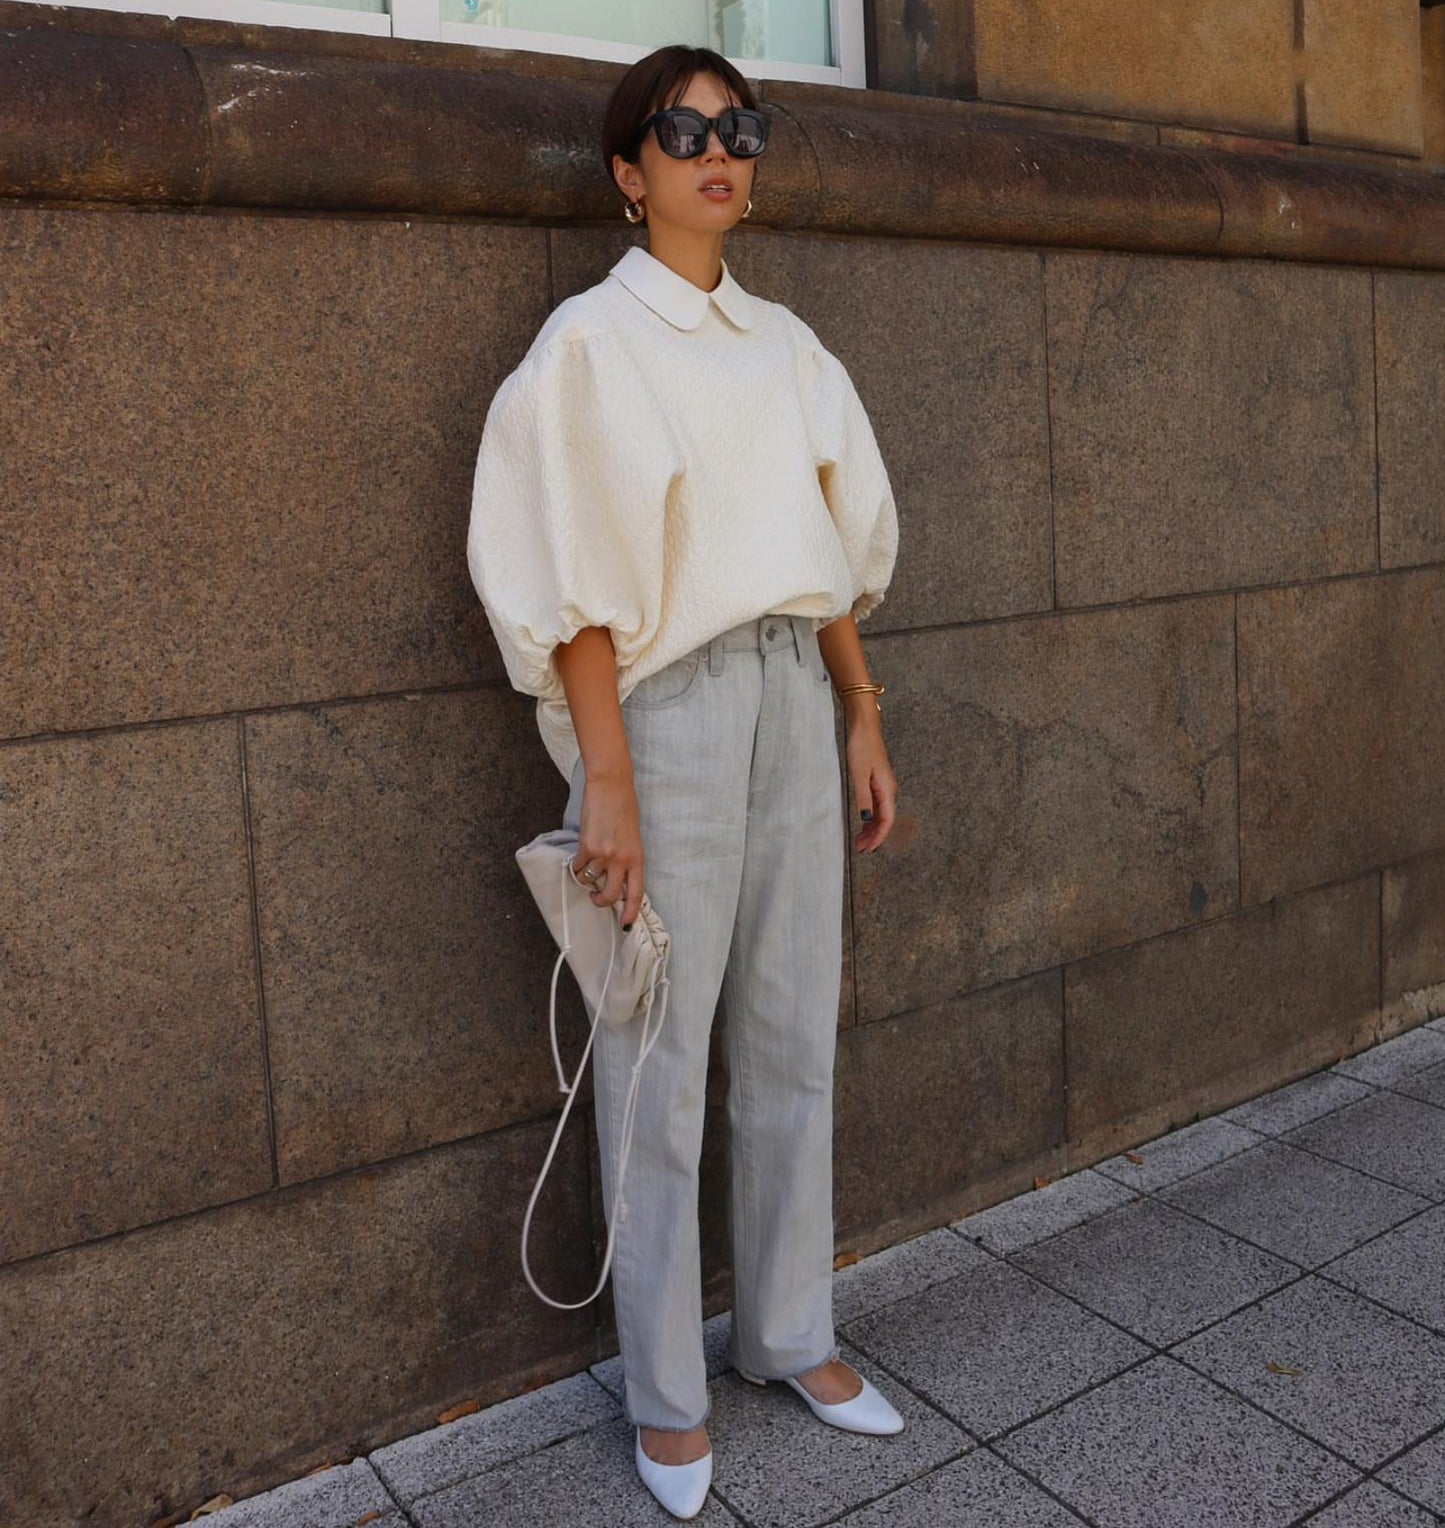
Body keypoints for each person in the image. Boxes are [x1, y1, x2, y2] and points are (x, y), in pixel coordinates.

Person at [466, 41, 902, 1521]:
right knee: (655, 1062)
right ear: (626, 170)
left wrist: (858, 705)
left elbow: (831, 546)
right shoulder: (592, 347)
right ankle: (664, 1391)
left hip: (792, 690)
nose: (721, 149)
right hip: (664, 718)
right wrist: (611, 782)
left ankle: (788, 1334)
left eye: (742, 126)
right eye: (685, 128)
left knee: (788, 1033)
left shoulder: (788, 346)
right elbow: (575, 583)